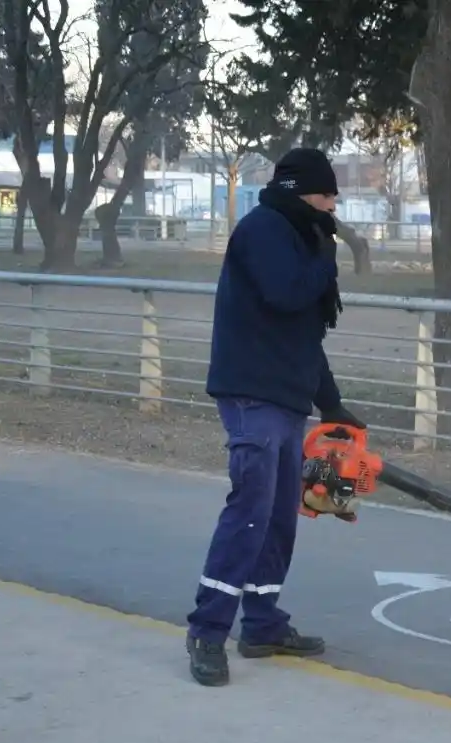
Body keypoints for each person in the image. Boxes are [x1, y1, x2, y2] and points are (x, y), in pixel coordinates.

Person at [185, 147, 366, 687]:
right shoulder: (264, 230)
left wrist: (330, 402)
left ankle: (262, 623)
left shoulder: (302, 237)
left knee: (281, 516)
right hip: (250, 393)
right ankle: (207, 631)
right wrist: (329, 254)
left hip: (285, 398)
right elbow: (287, 295)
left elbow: (305, 334)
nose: (334, 204)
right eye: (328, 193)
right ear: (301, 191)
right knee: (251, 509)